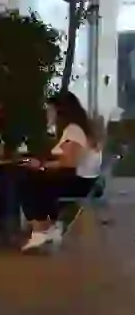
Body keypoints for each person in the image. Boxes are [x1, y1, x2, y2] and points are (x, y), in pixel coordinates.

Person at [17, 92, 102, 252]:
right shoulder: (76, 129)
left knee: (27, 178)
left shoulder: (73, 130)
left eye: (50, 109)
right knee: (34, 178)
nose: (48, 114)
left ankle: (41, 229)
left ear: (61, 111)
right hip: (82, 181)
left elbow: (69, 163)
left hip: (80, 182)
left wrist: (41, 166)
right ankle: (47, 226)